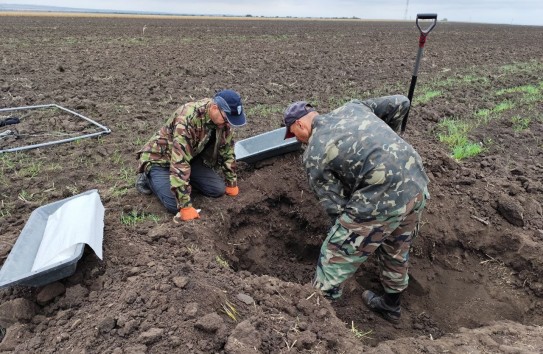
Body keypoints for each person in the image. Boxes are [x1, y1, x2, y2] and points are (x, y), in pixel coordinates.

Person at [283, 95, 429, 322]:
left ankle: (319, 319)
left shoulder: (314, 152)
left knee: (334, 254)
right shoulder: (353, 107)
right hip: (414, 180)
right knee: (395, 247)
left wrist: (350, 240)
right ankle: (391, 306)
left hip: (382, 195)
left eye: (293, 134)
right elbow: (401, 102)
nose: (296, 140)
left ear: (301, 124)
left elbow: (335, 207)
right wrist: (388, 139)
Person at [136, 89, 245, 223]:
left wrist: (231, 182)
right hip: (160, 159)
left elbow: (227, 150)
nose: (228, 124)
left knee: (217, 189)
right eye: (227, 119)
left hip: (190, 157)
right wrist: (185, 206)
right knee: (174, 205)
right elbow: (179, 162)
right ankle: (147, 177)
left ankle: (182, 182)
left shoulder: (222, 121)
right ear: (215, 108)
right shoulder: (187, 118)